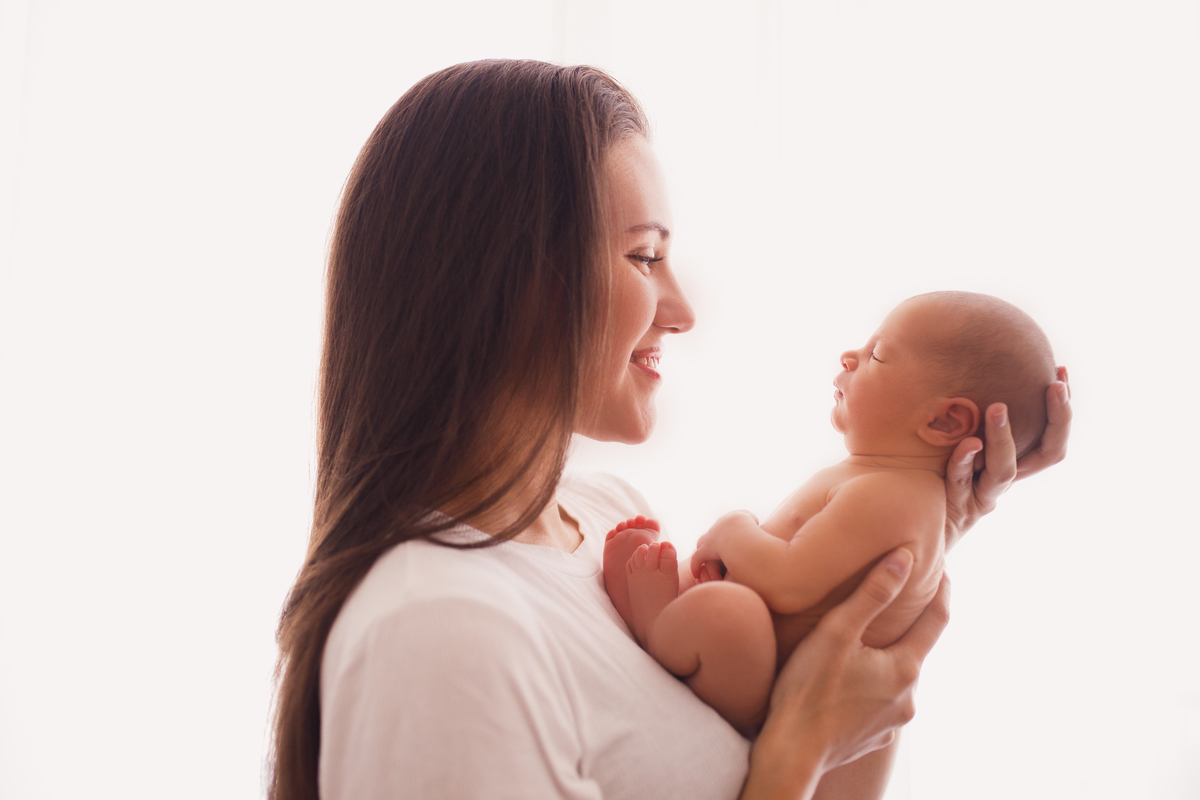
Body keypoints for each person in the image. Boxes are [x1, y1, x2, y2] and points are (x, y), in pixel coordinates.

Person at [267, 60, 1072, 800]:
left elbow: (826, 735)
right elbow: (798, 751)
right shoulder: (440, 627)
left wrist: (919, 524)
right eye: (646, 258)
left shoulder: (608, 517)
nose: (683, 313)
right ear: (511, 284)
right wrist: (796, 751)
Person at [600, 291, 1059, 738]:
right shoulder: (887, 483)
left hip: (762, 685)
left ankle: (655, 623)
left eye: (877, 354)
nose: (849, 356)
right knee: (705, 588)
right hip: (760, 661)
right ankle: (670, 602)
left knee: (727, 613)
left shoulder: (894, 497)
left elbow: (787, 582)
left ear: (943, 422)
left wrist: (733, 527)